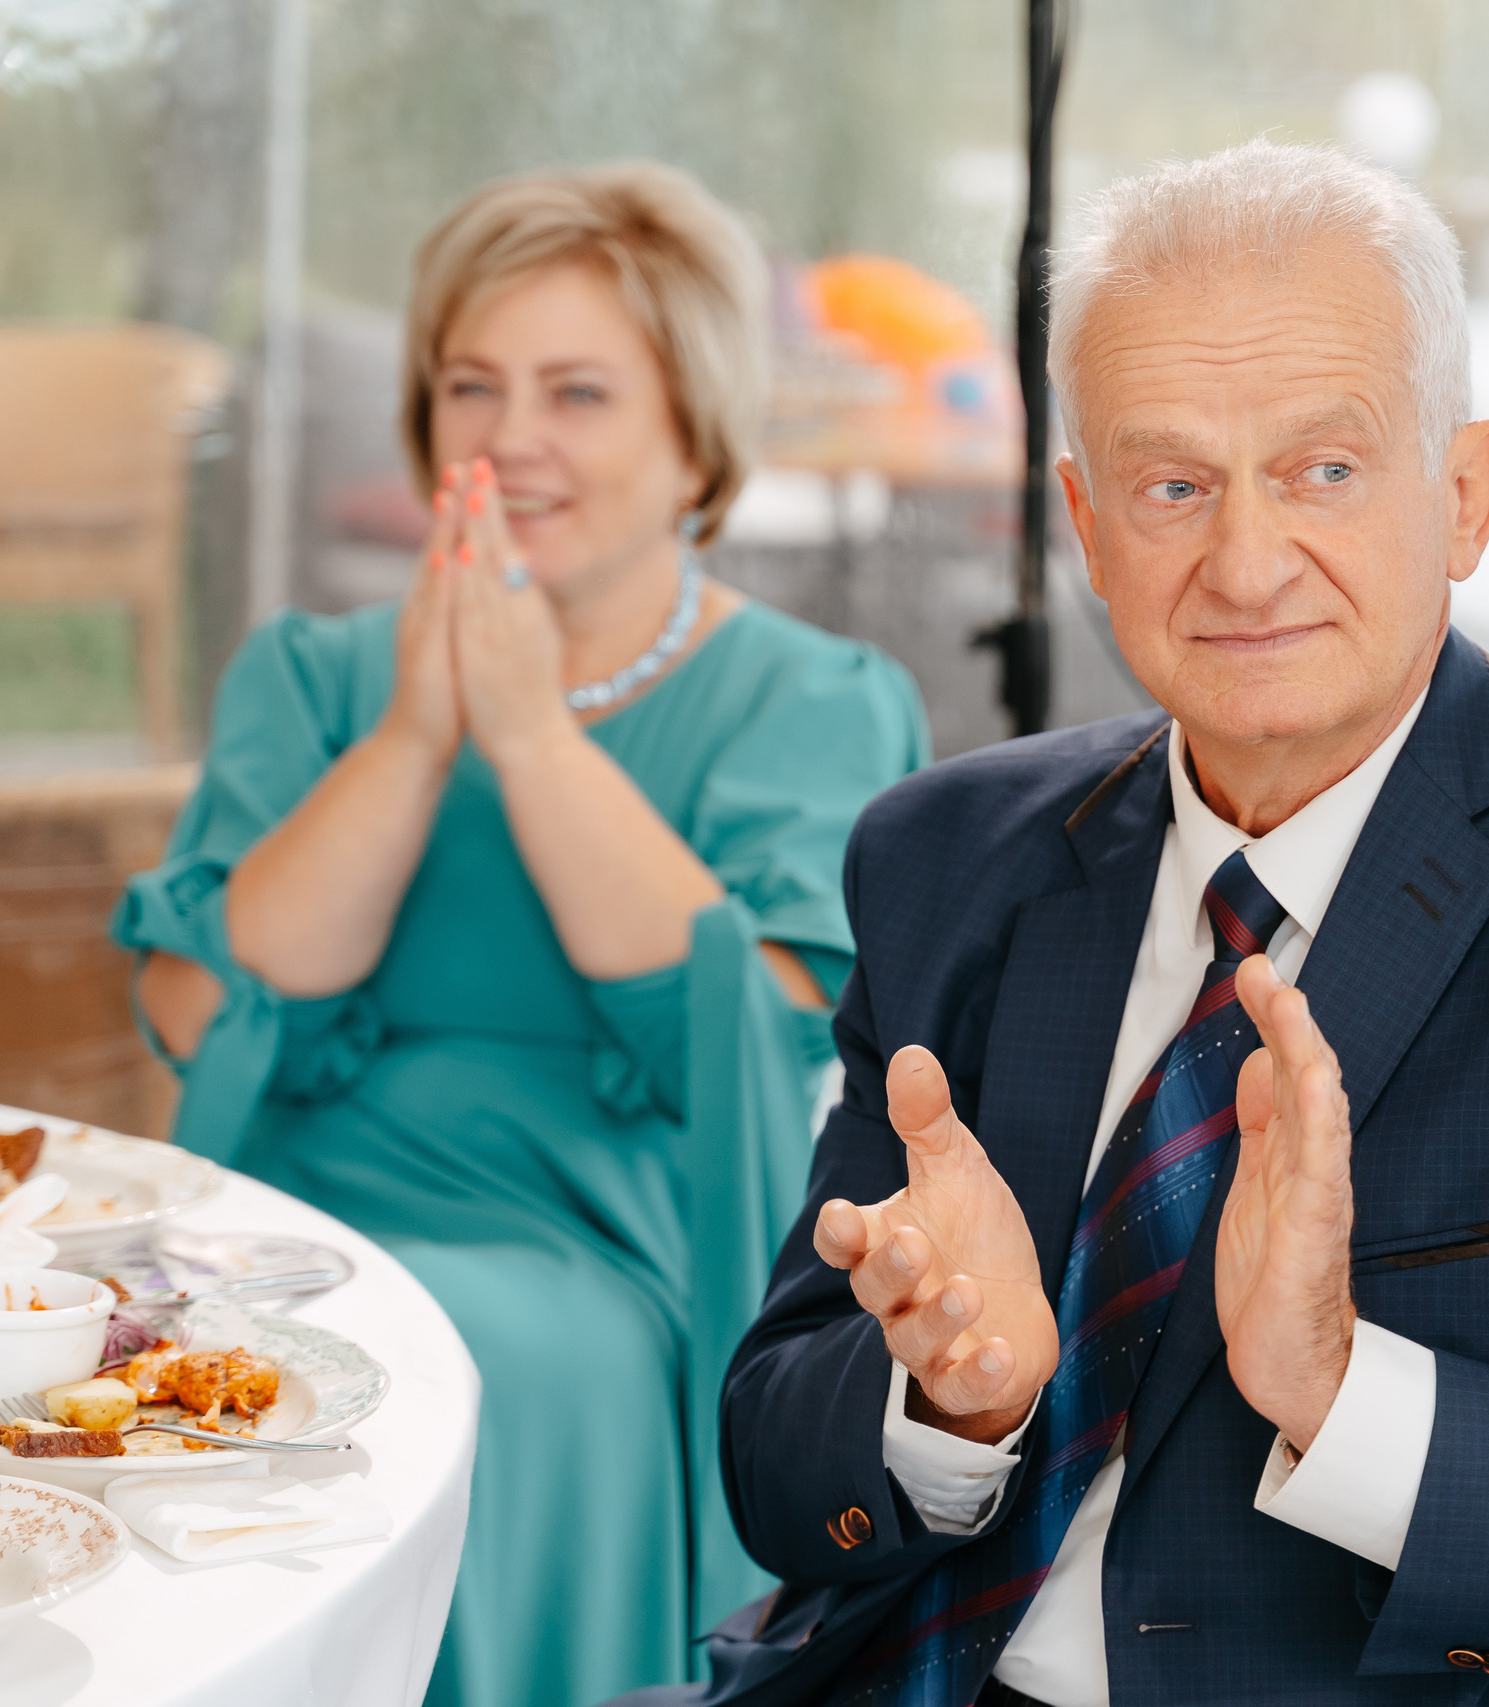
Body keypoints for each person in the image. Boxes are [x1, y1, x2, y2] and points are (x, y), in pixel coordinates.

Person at [642, 141, 1489, 1707]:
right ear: (1087, 526)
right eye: (1173, 486)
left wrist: (1343, 1391)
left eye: (1324, 470)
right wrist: (949, 1408)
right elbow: (777, 1479)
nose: (1247, 564)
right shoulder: (948, 856)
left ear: (1463, 494)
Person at [116, 163, 930, 1707]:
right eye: (471, 385)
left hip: (602, 1247)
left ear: (693, 439)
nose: (511, 437)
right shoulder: (316, 675)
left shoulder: (813, 702)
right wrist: (417, 740)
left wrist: (532, 735)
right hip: (290, 1216)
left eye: (578, 392)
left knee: (429, 1373)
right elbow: (194, 997)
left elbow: (748, 1047)